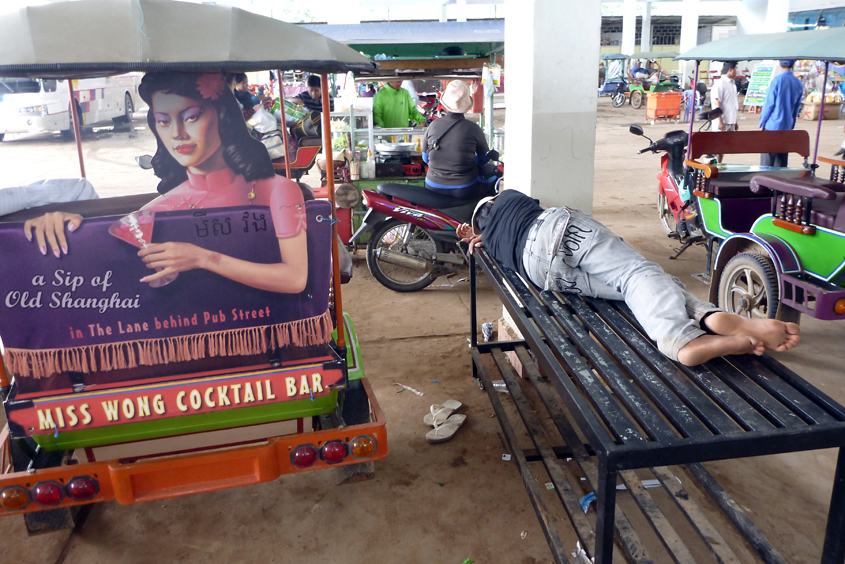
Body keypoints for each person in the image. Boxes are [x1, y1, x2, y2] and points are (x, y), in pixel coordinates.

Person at [24, 72, 308, 294]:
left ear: (223, 118)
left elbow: (295, 278)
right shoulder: (163, 208)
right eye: (163, 121)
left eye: (191, 117)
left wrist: (202, 258)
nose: (178, 134)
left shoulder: (277, 190)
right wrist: (69, 228)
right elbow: (102, 257)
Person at [457, 190, 800, 366]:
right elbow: (538, 208)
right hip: (555, 231)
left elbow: (485, 238)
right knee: (636, 273)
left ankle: (708, 317)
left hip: (540, 272)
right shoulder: (509, 199)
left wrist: (479, 236)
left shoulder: (489, 241)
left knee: (639, 286)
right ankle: (680, 340)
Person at [421, 81, 495, 200]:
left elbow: (425, 158)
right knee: (494, 173)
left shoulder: (433, 125)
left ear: (445, 104)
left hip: (433, 185)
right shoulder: (473, 128)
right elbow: (484, 159)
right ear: (467, 105)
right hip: (464, 188)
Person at [759, 60, 804, 167]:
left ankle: (765, 183)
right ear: (793, 65)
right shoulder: (798, 83)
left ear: (779, 64)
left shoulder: (776, 80)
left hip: (771, 126)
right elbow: (796, 107)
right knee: (781, 162)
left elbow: (769, 105)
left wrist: (762, 123)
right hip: (786, 126)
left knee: (767, 162)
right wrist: (791, 123)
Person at [711, 62, 739, 163]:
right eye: (736, 68)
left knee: (725, 146)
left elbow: (732, 103)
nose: (737, 71)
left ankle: (719, 164)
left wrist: (735, 121)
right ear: (730, 70)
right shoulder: (720, 83)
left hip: (730, 120)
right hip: (722, 121)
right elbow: (717, 103)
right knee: (718, 146)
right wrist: (720, 121)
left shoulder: (732, 84)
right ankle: (714, 165)